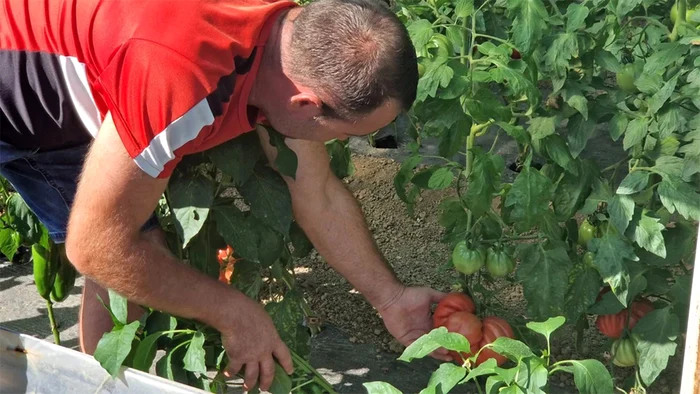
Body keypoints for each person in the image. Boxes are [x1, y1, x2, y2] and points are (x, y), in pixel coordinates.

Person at [0, 0, 450, 390]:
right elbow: (95, 247)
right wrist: (232, 311)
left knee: (135, 250)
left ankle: (97, 386)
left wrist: (390, 298)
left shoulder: (291, 45)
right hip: (15, 73)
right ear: (307, 105)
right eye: (343, 134)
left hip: (68, 102)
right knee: (119, 247)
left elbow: (318, 194)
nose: (332, 146)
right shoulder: (183, 83)